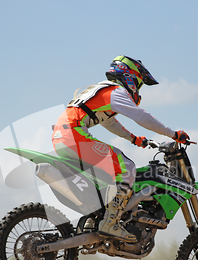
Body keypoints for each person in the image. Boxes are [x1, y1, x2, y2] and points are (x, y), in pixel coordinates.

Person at [52, 55, 190, 242]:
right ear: (130, 77)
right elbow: (142, 117)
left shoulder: (101, 90)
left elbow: (109, 122)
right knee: (127, 167)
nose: (138, 90)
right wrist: (173, 134)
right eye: (139, 84)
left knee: (110, 173)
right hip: (73, 135)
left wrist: (133, 138)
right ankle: (111, 222)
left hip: (62, 136)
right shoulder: (116, 91)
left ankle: (97, 218)